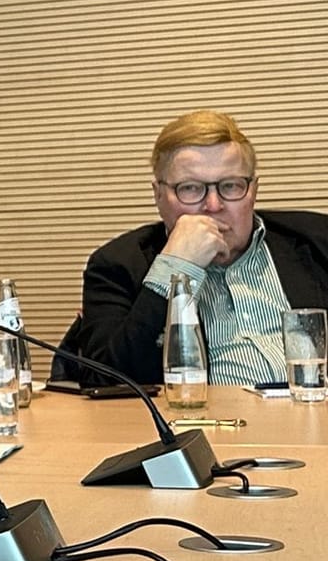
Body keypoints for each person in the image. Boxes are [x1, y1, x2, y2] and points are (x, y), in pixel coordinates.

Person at [62, 109, 328, 386]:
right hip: (203, 425)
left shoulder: (318, 242)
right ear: (158, 195)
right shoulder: (116, 266)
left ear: (253, 191)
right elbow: (105, 382)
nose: (213, 206)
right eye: (190, 188)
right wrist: (175, 265)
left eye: (230, 186)